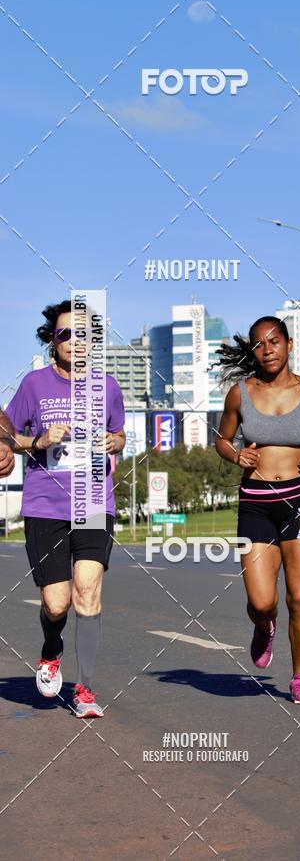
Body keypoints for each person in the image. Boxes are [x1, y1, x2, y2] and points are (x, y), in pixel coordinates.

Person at [214, 316, 300, 704]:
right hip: (255, 503)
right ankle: (264, 624)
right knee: (261, 602)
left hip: (299, 503)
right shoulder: (240, 394)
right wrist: (236, 453)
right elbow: (222, 440)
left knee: (299, 596)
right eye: (259, 344)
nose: (267, 349)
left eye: (274, 341)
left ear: (289, 344)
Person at [5, 300, 125, 718]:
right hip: (45, 503)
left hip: (93, 498)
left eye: (82, 334)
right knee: (57, 604)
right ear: (52, 340)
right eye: (64, 334)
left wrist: (116, 442)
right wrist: (35, 442)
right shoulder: (34, 385)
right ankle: (51, 650)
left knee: (87, 593)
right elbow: (7, 430)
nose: (74, 341)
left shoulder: (107, 385)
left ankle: (85, 689)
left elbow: (119, 432)